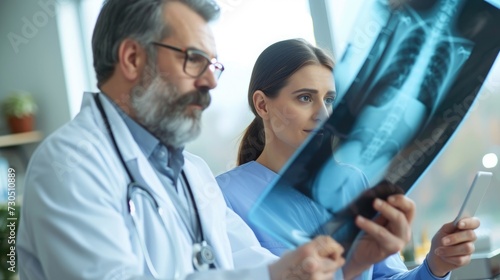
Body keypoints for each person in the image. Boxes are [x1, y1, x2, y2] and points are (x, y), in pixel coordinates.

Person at [15, 1, 405, 279]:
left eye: (213, 64)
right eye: (194, 60)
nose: (211, 81)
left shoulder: (193, 174)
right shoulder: (70, 164)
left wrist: (353, 265)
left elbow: (261, 269)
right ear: (133, 59)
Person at [216, 39, 479, 279]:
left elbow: (386, 277)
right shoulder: (223, 198)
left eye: (329, 100)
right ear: (262, 105)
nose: (323, 115)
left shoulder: (354, 183)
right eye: (305, 98)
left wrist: (435, 266)